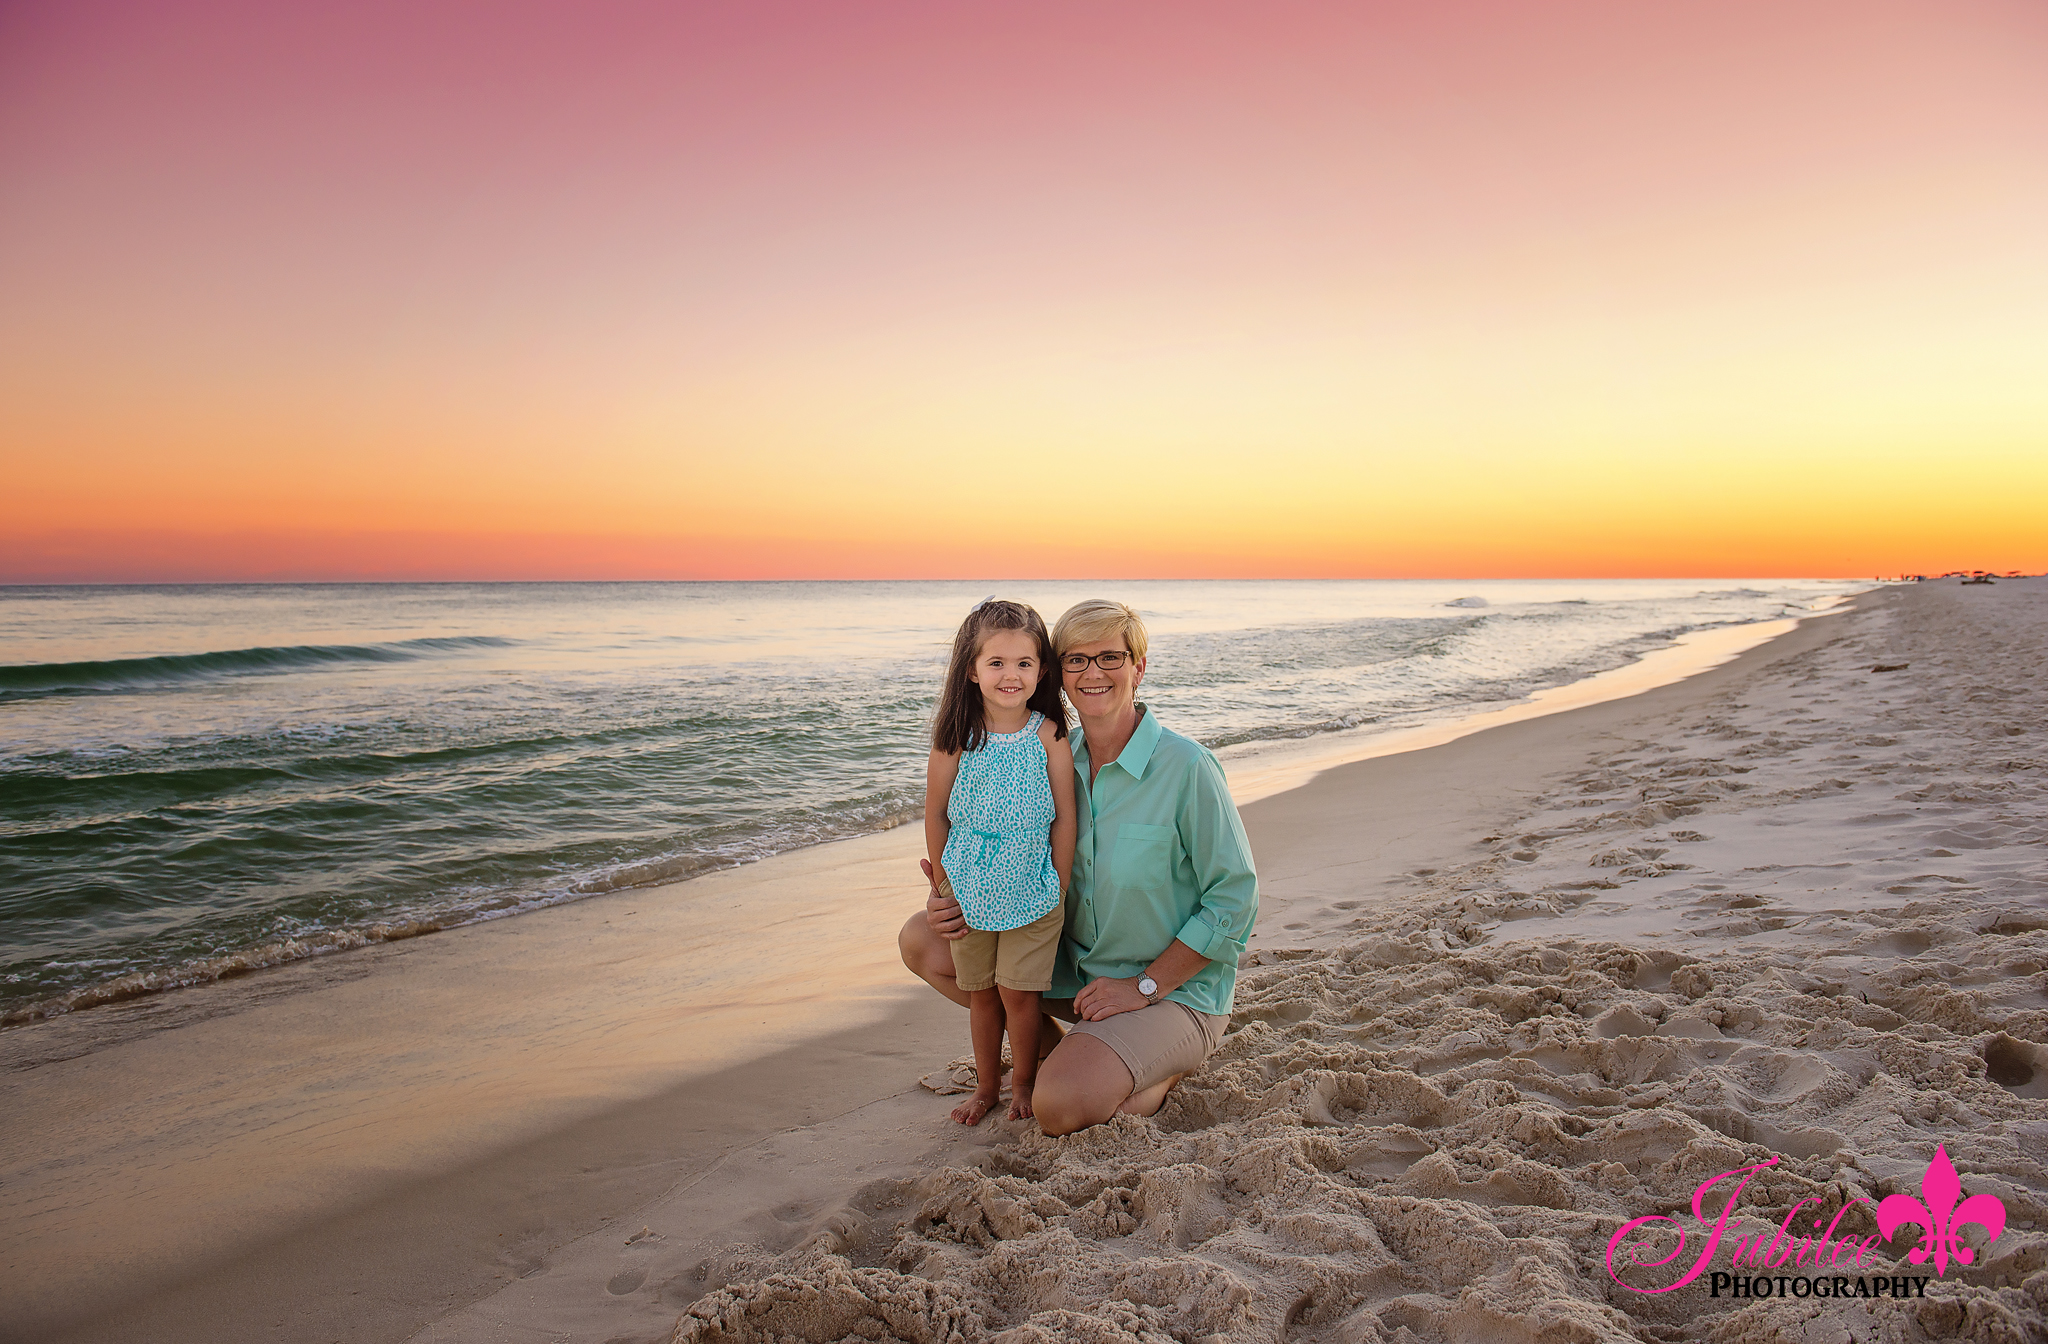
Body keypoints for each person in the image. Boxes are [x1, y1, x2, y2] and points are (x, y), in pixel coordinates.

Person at [901, 598, 1258, 1136]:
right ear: (1059, 674)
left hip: (1171, 992)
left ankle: (1150, 1068)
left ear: (1139, 667)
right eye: (1077, 660)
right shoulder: (1054, 761)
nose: (1093, 673)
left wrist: (1143, 986)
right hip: (1077, 978)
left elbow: (1235, 899)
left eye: (1110, 657)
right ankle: (1068, 1052)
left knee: (1061, 1106)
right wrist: (950, 895)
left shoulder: (1186, 769)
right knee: (922, 939)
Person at [924, 599, 1077, 1125]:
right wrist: (944, 886)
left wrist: (1056, 882)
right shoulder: (955, 737)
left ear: (1041, 670)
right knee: (981, 994)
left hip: (1033, 888)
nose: (1010, 675)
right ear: (971, 669)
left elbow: (1064, 817)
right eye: (996, 663)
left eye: (1024, 663)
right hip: (968, 890)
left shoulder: (1047, 734)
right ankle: (986, 1086)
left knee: (1018, 992)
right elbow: (937, 815)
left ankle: (1025, 1084)